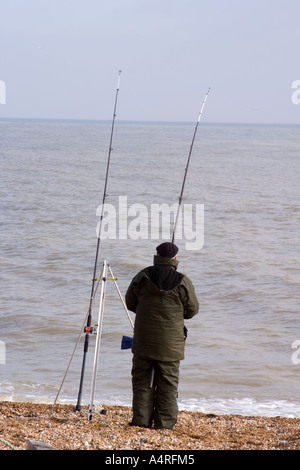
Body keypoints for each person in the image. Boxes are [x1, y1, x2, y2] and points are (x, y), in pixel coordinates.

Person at [125, 242, 199, 430]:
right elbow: (191, 311)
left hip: (143, 340)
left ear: (156, 255)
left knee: (142, 381)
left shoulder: (142, 276)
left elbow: (130, 303)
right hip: (170, 344)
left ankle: (141, 421)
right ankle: (164, 425)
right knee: (168, 383)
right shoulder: (183, 281)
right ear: (175, 258)